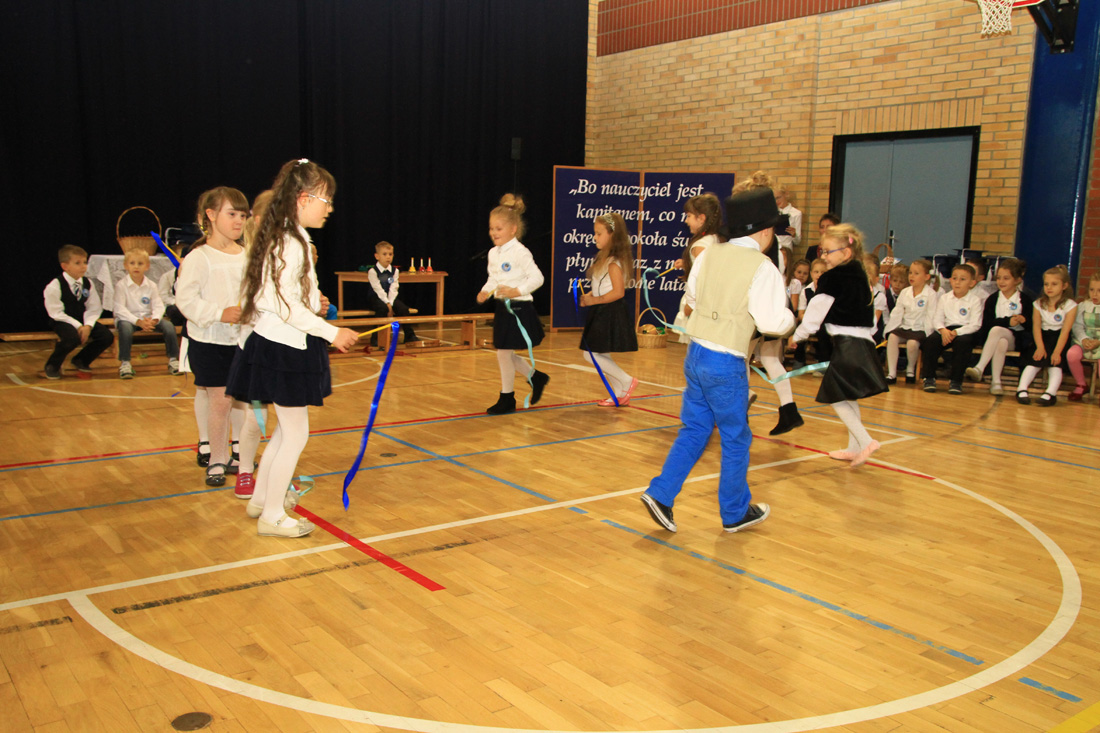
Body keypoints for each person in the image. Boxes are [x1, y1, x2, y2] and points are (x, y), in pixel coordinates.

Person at [641, 187, 794, 534]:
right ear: (766, 231)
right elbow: (771, 322)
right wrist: (790, 321)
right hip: (725, 362)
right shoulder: (763, 267)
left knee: (695, 428)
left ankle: (661, 493)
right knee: (736, 437)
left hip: (696, 354)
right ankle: (735, 512)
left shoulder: (709, 253)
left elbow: (692, 299)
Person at [227, 158, 358, 537]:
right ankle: (271, 515)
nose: (329, 209)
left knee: (286, 432)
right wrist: (331, 332)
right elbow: (285, 306)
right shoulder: (289, 241)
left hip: (282, 344)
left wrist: (314, 303)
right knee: (295, 434)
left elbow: (285, 296)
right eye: (326, 200)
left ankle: (261, 501)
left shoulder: (290, 236)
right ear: (303, 198)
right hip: (283, 348)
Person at [789, 223, 889, 467]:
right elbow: (868, 313)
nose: (823, 256)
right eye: (821, 251)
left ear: (845, 252)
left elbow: (815, 312)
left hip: (848, 345)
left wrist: (798, 335)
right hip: (863, 343)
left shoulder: (831, 278)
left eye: (827, 251)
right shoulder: (860, 274)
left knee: (835, 396)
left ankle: (866, 441)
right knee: (848, 394)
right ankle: (854, 448)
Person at [175, 187, 250, 485]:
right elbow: (185, 300)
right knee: (219, 402)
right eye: (232, 214)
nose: (239, 221)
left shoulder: (246, 255)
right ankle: (217, 459)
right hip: (210, 341)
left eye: (243, 215)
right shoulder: (198, 257)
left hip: (240, 341)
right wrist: (220, 313)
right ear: (211, 215)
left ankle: (238, 455)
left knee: (240, 402)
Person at [729, 171, 800, 434]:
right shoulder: (772, 238)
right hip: (773, 301)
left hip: (756, 306)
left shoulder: (754, 239)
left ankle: (742, 407)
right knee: (770, 359)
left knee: (742, 359)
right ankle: (789, 409)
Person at [476, 194, 549, 415]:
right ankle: (534, 378)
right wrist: (486, 291)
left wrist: (517, 291)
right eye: (491, 229)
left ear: (513, 229)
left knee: (503, 353)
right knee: (504, 352)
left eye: (498, 229)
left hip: (518, 309)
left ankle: (508, 397)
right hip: (503, 308)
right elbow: (494, 278)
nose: (493, 233)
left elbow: (537, 278)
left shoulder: (520, 252)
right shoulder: (493, 253)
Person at [579, 212, 639, 405]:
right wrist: (589, 296)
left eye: (599, 233)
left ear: (612, 235)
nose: (595, 237)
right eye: (595, 233)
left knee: (590, 354)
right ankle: (619, 393)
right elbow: (602, 286)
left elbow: (618, 292)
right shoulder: (603, 259)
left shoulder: (614, 262)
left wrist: (594, 301)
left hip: (609, 311)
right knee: (601, 354)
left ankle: (626, 380)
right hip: (600, 309)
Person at [42, 244, 114, 379]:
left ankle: (81, 359)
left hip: (83, 319)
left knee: (106, 336)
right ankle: (52, 365)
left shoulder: (88, 283)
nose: (83, 266)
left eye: (85, 262)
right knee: (72, 338)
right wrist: (78, 326)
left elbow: (94, 307)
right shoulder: (55, 286)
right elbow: (56, 312)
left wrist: (88, 325)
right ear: (65, 266)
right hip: (61, 320)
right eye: (77, 263)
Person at [965, 258, 1032, 396]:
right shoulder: (993, 299)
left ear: (1017, 280)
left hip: (1017, 340)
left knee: (998, 331)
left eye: (1006, 278)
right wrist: (1008, 322)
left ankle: (980, 367)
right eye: (999, 278)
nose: (1001, 281)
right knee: (1001, 341)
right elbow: (987, 324)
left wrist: (1023, 320)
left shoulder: (1025, 300)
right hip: (996, 339)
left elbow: (1031, 325)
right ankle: (996, 382)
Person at [113, 247, 180, 378]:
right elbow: (119, 309)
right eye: (132, 263)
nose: (136, 267)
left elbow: (158, 305)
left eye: (140, 263)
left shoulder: (151, 285)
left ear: (147, 266)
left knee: (168, 326)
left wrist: (154, 319)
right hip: (129, 319)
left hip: (148, 319)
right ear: (126, 266)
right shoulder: (121, 285)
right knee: (125, 329)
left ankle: (173, 360)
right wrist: (137, 321)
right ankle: (125, 363)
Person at [1016, 265, 1077, 406]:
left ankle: (1050, 393)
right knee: (1034, 361)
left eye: (1054, 284)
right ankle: (1022, 389)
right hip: (1042, 338)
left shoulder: (1070, 305)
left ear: (1064, 286)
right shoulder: (1038, 304)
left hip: (1059, 339)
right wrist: (1039, 347)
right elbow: (1036, 327)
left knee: (1055, 364)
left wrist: (1057, 352)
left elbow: (1065, 331)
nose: (1049, 288)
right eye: (1046, 284)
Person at [921, 264, 982, 395]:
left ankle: (956, 381)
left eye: (962, 279)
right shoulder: (945, 298)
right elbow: (937, 319)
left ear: (972, 283)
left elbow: (975, 324)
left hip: (965, 331)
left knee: (963, 343)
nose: (957, 282)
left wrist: (957, 332)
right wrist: (942, 330)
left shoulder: (975, 300)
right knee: (931, 341)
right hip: (946, 330)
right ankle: (929, 378)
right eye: (954, 278)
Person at [673, 194, 722, 344]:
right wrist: (688, 263)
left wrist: (691, 304)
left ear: (701, 218)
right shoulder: (715, 239)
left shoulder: (700, 246)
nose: (686, 220)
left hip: (699, 304)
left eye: (689, 216)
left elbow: (706, 278)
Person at [883, 259, 937, 385]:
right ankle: (892, 373)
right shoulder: (905, 292)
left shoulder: (931, 294)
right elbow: (897, 313)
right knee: (892, 337)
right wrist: (889, 330)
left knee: (912, 343)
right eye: (911, 273)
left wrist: (928, 334)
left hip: (920, 329)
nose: (912, 276)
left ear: (926, 277)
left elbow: (931, 316)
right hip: (905, 327)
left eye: (916, 273)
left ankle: (910, 370)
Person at [365, 241, 418, 346]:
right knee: (382, 309)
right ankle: (376, 338)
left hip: (390, 297)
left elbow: (394, 288)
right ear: (377, 256)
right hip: (376, 297)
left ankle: (409, 336)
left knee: (403, 309)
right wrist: (387, 304)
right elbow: (378, 289)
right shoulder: (373, 271)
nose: (388, 257)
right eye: (384, 254)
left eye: (390, 254)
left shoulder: (395, 271)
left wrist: (391, 302)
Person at [1065, 272, 1100, 402]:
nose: (1094, 294)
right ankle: (1081, 384)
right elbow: (1077, 326)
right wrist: (1084, 339)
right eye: (1092, 290)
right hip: (1085, 339)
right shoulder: (1083, 306)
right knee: (1072, 354)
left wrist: (1098, 342)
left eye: (1099, 291)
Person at [773, 182, 802, 255]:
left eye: (778, 197)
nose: (777, 201)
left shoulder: (796, 213)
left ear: (785, 195)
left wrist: (794, 234)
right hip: (773, 249)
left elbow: (797, 241)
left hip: (787, 250)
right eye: (774, 199)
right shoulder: (772, 213)